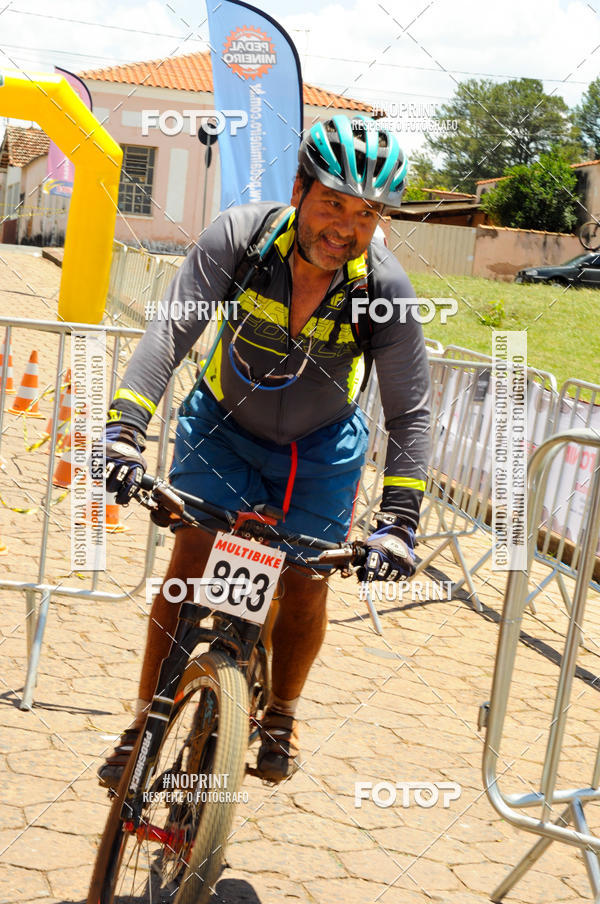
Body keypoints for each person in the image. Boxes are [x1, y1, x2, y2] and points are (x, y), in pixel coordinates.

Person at [97, 114, 431, 788]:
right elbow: (169, 338)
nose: (346, 226)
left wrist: (398, 523)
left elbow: (411, 411)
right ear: (300, 188)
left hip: (321, 451)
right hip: (222, 425)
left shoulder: (384, 290)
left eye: (367, 214)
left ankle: (281, 710)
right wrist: (122, 433)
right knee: (190, 558)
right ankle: (145, 717)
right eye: (333, 202)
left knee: (306, 584)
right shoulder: (239, 239)